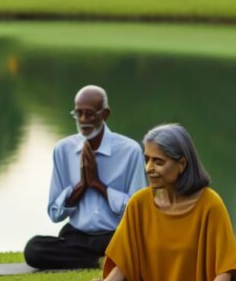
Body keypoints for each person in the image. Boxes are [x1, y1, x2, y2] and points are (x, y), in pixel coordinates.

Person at [86, 123, 236, 281]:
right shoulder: (138, 204)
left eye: (158, 162)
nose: (149, 168)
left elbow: (227, 267)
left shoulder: (210, 204)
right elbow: (125, 260)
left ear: (181, 163)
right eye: (147, 160)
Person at [23, 85, 147, 270]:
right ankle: (99, 261)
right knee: (34, 249)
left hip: (114, 235)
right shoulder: (63, 150)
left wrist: (98, 185)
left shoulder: (130, 151)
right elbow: (55, 213)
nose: (83, 120)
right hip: (77, 236)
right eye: (78, 114)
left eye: (89, 114)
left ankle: (108, 257)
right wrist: (81, 186)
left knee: (139, 247)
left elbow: (139, 213)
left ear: (104, 114)